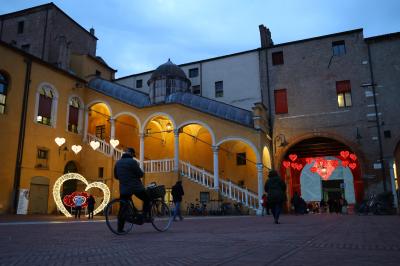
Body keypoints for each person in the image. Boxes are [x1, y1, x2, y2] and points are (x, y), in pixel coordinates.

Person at [114, 147, 150, 233]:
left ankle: (120, 228)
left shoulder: (117, 163)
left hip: (124, 189)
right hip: (135, 187)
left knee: (122, 208)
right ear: (131, 154)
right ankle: (144, 216)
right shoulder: (132, 162)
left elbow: (116, 176)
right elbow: (140, 174)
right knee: (147, 199)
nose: (133, 157)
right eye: (133, 155)